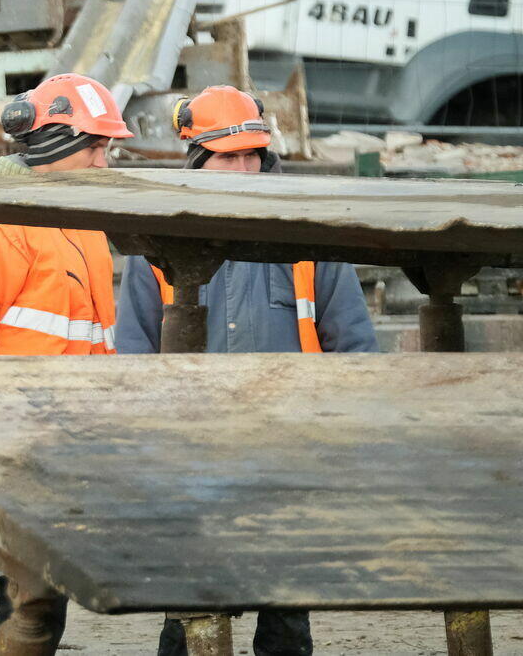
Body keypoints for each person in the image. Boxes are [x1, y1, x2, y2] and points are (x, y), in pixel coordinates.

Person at [114, 85, 378, 656]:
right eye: (227, 157)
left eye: (251, 156)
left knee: (285, 616)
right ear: (197, 160)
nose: (242, 170)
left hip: (289, 450)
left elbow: (354, 347)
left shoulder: (308, 238)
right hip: (193, 454)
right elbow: (133, 357)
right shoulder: (155, 247)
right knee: (192, 609)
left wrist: (350, 441)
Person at [0, 73, 133, 654]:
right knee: (11, 608)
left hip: (60, 448)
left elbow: (92, 343)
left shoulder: (80, 223)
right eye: (96, 147)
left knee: (41, 608)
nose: (104, 162)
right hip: (9, 450)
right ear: (58, 144)